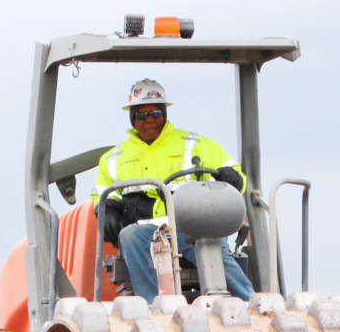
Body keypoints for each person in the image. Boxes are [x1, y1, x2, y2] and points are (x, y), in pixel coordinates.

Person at [92, 79, 254, 302]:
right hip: (145, 231)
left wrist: (231, 177)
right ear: (132, 116)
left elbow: (238, 177)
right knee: (128, 236)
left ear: (165, 114)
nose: (150, 120)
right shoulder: (114, 157)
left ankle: (251, 302)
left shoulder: (195, 144)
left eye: (156, 113)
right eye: (142, 114)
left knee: (206, 240)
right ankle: (153, 307)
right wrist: (106, 209)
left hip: (189, 225)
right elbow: (103, 193)